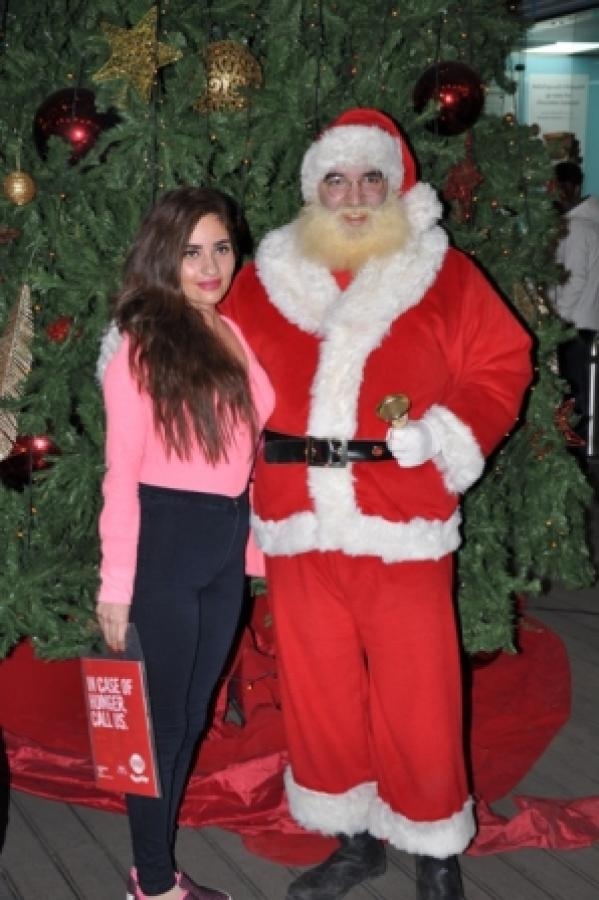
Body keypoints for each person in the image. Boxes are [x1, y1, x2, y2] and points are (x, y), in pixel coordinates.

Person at [221, 108, 533, 900]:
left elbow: (502, 362)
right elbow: (217, 374)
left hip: (400, 515)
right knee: (318, 689)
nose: (354, 195)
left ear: (395, 187)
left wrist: (445, 434)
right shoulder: (263, 279)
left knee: (419, 690)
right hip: (297, 516)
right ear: (313, 190)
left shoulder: (442, 273)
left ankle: (433, 846)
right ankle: (353, 838)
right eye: (336, 179)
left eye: (369, 178)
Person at [95, 186, 275, 900]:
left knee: (193, 717)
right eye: (191, 251)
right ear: (163, 256)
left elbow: (246, 449)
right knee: (160, 728)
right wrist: (116, 586)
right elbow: (121, 474)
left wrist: (250, 549)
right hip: (166, 543)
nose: (209, 266)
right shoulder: (139, 348)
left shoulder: (230, 330)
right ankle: (153, 882)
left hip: (223, 544)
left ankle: (154, 873)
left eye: (221, 248)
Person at [551, 161, 599, 450]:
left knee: (574, 394)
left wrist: (560, 318)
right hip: (586, 318)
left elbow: (574, 279)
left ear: (573, 188)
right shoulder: (589, 222)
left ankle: (575, 453)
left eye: (560, 188)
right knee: (580, 389)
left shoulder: (577, 227)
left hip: (574, 322)